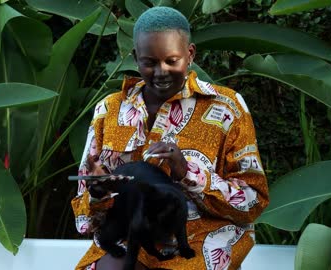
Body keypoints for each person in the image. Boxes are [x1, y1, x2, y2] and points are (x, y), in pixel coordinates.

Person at [71, 6, 269, 270]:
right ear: (135, 58)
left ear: (190, 55)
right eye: (149, 62)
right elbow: (85, 220)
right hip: (131, 233)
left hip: (202, 239)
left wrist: (187, 172)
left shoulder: (227, 108)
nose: (161, 71)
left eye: (171, 61)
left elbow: (252, 201)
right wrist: (98, 192)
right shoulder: (108, 109)